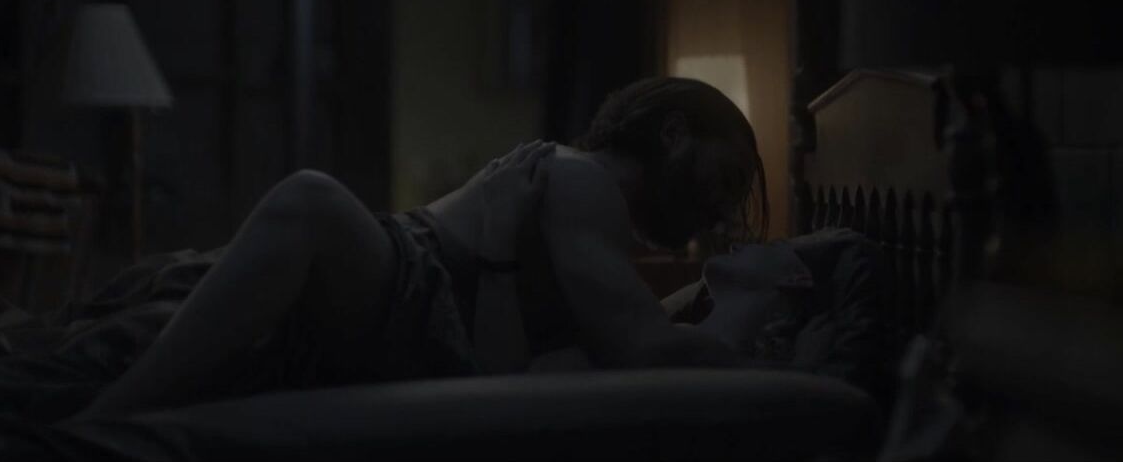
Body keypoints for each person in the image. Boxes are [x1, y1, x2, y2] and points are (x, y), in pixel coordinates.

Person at [78, 76, 767, 418]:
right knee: (308, 203)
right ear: (674, 134)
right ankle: (107, 422)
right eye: (729, 177)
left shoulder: (591, 215)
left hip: (401, 304)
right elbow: (644, 345)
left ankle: (106, 416)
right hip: (405, 281)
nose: (723, 207)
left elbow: (630, 337)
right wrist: (765, 346)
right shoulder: (585, 185)